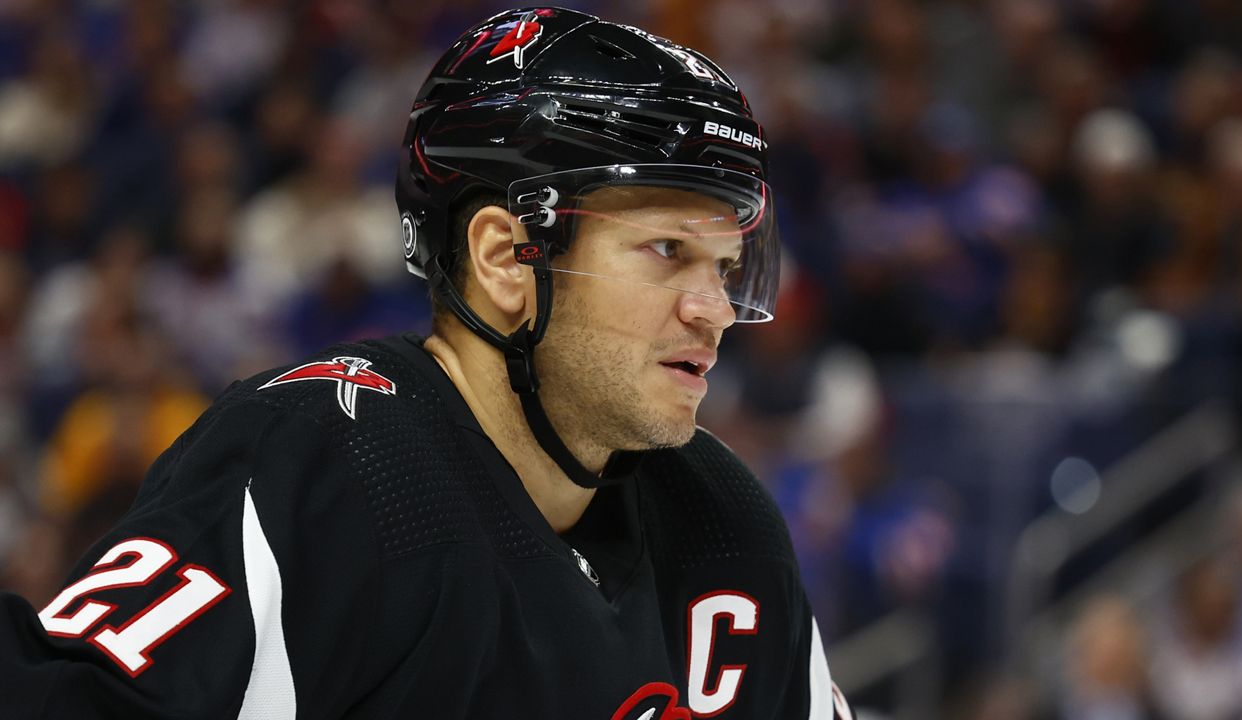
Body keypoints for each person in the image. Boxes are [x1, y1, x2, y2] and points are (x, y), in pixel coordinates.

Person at [0, 8, 853, 719]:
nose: (711, 309)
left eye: (727, 266)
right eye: (667, 249)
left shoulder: (721, 517)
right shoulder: (326, 462)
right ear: (506, 258)